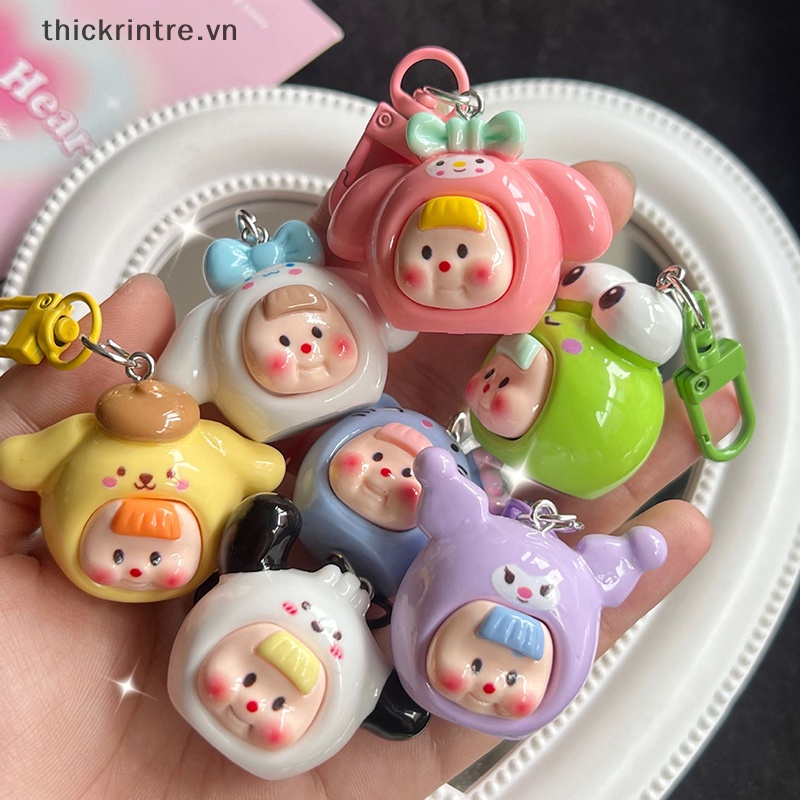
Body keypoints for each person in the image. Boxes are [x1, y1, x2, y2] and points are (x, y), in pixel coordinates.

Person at [0, 163, 740, 799]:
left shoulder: (415, 566)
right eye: (384, 461)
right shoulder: (343, 494)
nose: (483, 682)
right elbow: (251, 473)